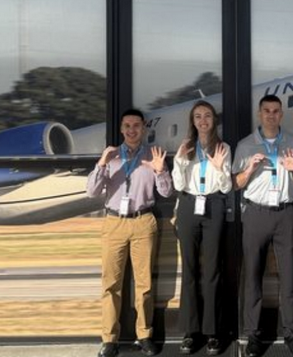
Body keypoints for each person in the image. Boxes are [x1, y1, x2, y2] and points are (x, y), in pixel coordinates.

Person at [87, 108, 173, 357]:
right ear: (121, 129)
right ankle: (109, 339)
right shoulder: (111, 156)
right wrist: (102, 163)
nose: (132, 130)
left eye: (136, 125)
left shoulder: (153, 155)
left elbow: (166, 192)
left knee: (144, 284)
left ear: (143, 128)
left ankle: (144, 335)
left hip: (143, 221)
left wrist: (160, 170)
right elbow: (92, 191)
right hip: (114, 222)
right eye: (127, 126)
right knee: (111, 284)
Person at [233, 95, 293, 357]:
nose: (271, 115)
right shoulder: (245, 146)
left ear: (281, 114)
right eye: (266, 111)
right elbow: (235, 184)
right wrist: (249, 169)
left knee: (289, 277)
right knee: (252, 276)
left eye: (276, 111)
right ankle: (253, 335)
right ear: (259, 114)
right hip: (256, 214)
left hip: (285, 214)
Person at [171, 101, 232, 355]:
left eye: (207, 115)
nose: (203, 120)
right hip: (188, 205)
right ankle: (190, 331)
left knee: (212, 270)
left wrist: (219, 169)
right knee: (189, 270)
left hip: (214, 205)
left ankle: (212, 331)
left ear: (214, 120)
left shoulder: (223, 147)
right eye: (198, 116)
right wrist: (181, 161)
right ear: (193, 121)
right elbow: (178, 184)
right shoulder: (185, 147)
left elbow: (227, 187)